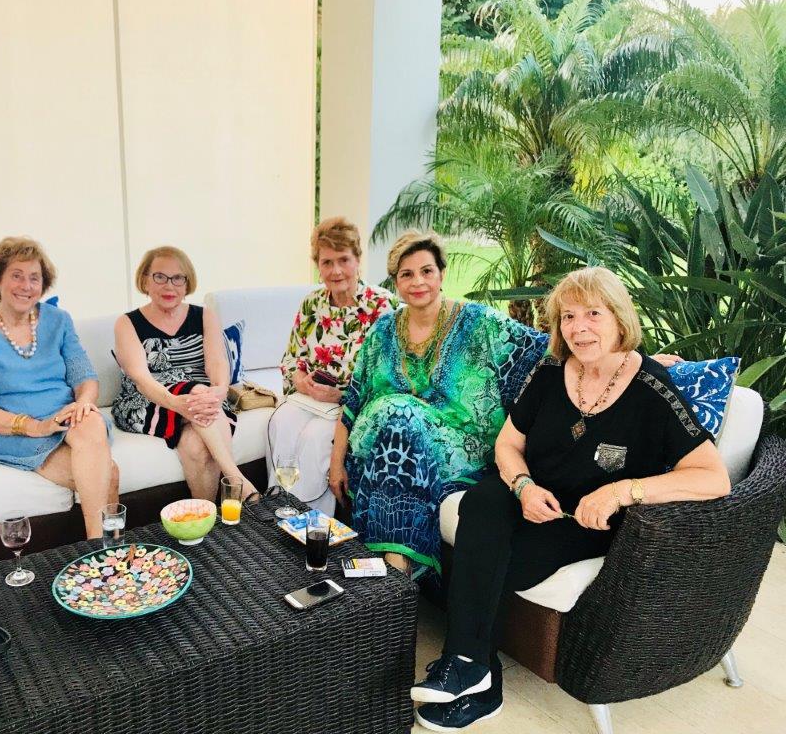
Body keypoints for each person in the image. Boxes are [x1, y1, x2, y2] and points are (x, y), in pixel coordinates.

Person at [411, 266, 730, 732]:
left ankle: (474, 673)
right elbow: (507, 444)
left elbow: (714, 478)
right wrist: (523, 486)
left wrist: (622, 491)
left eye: (593, 314)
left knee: (497, 558)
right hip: (531, 494)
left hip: (584, 520)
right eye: (568, 316)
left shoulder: (652, 389)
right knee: (480, 502)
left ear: (619, 318)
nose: (578, 328)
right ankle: (472, 667)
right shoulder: (550, 372)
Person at [330, 231, 548, 576]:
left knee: (399, 416)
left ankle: (395, 570)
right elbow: (353, 400)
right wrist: (335, 463)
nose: (418, 282)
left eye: (427, 271)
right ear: (396, 283)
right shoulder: (382, 332)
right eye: (407, 274)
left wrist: (618, 352)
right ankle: (391, 571)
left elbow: (541, 348)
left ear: (441, 274)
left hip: (460, 446)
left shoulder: (479, 323)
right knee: (398, 423)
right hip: (386, 448)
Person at [0, 237, 117, 539]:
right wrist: (38, 427)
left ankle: (98, 549)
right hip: (14, 432)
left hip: (67, 417)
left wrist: (84, 402)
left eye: (34, 278)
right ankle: (104, 549)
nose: (26, 286)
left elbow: (85, 377)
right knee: (111, 475)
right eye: (16, 275)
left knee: (91, 421)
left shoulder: (59, 320)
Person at [268, 217, 396, 514]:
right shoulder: (312, 303)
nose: (336, 271)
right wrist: (300, 379)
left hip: (349, 404)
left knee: (315, 439)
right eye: (327, 262)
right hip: (308, 398)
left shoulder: (381, 306)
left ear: (358, 260)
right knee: (279, 423)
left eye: (344, 260)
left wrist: (340, 396)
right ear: (318, 265)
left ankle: (314, 522)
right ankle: (278, 511)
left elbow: (385, 377)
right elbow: (291, 358)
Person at [113, 246, 256, 500]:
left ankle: (207, 519)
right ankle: (237, 481)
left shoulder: (204, 316)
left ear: (187, 282)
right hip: (148, 401)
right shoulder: (127, 323)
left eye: (178, 278)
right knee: (198, 391)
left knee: (196, 446)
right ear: (145, 280)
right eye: (160, 277)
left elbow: (217, 363)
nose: (169, 286)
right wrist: (177, 403)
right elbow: (141, 379)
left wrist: (219, 391)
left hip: (201, 400)